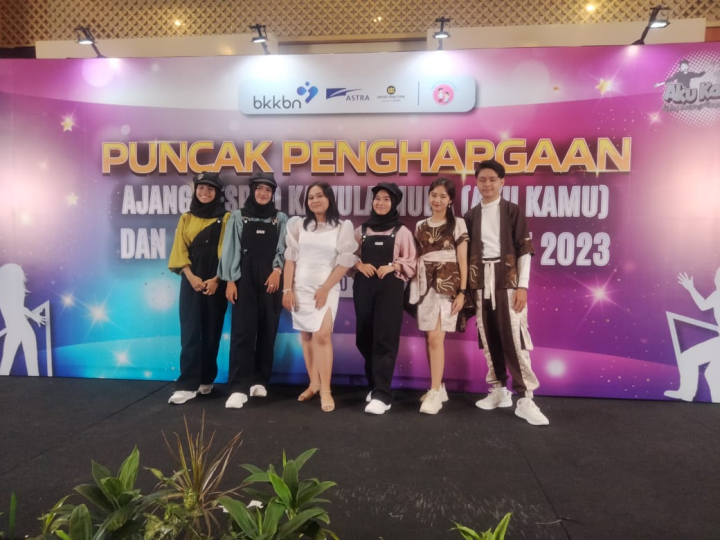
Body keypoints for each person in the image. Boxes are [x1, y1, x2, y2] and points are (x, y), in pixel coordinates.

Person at [464, 159, 549, 426]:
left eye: (492, 179)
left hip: (507, 280)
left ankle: (525, 398)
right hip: (480, 281)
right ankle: (499, 390)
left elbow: (524, 250)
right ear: (476, 183)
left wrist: (522, 286)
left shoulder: (512, 211)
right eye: (482, 179)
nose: (487, 184)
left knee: (514, 336)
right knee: (489, 336)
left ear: (502, 182)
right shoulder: (470, 216)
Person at [282, 182, 358, 412]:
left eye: (319, 196)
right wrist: (287, 290)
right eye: (311, 197)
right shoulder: (298, 225)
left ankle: (326, 390)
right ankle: (313, 384)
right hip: (300, 287)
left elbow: (345, 262)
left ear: (329, 198)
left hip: (326, 288)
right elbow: (290, 260)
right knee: (306, 334)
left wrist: (325, 288)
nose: (315, 200)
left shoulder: (342, 227)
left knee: (322, 335)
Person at [218, 173, 289, 409]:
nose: (263, 193)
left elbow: (284, 248)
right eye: (259, 188)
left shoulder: (280, 219)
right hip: (244, 279)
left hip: (272, 279)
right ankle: (238, 387)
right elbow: (231, 249)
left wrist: (277, 270)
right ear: (252, 191)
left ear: (273, 193)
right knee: (242, 332)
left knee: (268, 329)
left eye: (268, 190)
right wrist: (230, 280)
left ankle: (260, 380)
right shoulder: (238, 217)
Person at [353, 182, 417, 415]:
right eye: (377, 198)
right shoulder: (360, 230)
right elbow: (346, 256)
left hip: (390, 290)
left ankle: (382, 395)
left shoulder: (402, 232)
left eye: (386, 199)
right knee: (364, 338)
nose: (381, 203)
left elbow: (412, 261)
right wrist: (359, 264)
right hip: (363, 288)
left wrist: (394, 266)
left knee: (385, 339)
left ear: (394, 203)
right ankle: (374, 385)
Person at [167, 172, 230, 405]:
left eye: (210, 189)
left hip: (216, 281)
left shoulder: (225, 217)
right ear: (195, 190)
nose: (205, 192)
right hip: (191, 281)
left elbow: (228, 251)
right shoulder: (186, 218)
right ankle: (186, 385)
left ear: (217, 193)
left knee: (212, 331)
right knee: (190, 331)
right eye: (201, 188)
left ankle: (206, 380)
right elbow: (179, 249)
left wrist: (217, 279)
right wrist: (191, 276)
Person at [408, 177, 468, 415]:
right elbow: (416, 256)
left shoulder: (458, 224)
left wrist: (462, 292)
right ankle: (438, 387)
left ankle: (434, 392)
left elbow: (463, 260)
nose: (438, 200)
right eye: (434, 195)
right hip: (424, 286)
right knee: (428, 338)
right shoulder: (420, 225)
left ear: (451, 200)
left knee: (435, 339)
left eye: (443, 196)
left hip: (447, 286)